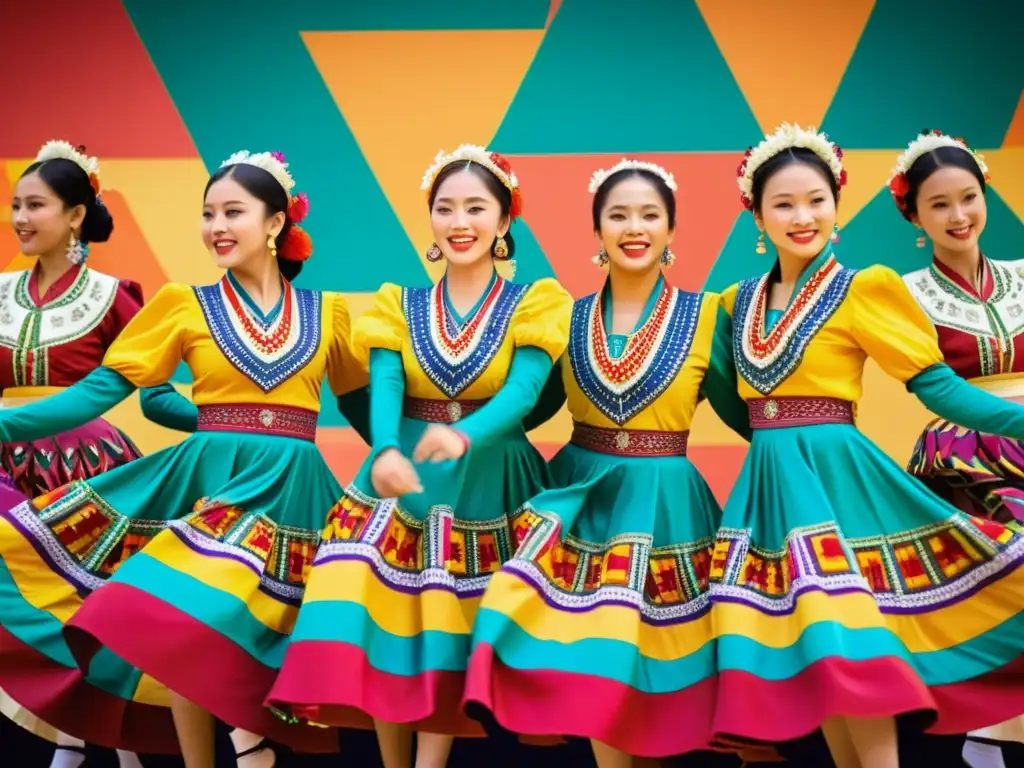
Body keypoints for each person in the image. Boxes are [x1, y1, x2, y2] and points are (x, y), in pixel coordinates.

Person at [0, 149, 369, 767]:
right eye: (207, 214)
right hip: (213, 483)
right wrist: (6, 421)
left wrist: (435, 446)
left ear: (276, 223)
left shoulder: (327, 313)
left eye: (233, 212)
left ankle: (252, 748)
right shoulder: (181, 303)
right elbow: (98, 393)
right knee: (177, 619)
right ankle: (242, 755)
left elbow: (367, 414)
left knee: (225, 626)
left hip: (293, 491)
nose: (216, 227)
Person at [709, 123, 1024, 768]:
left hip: (839, 484)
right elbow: (721, 393)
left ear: (837, 204)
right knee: (821, 652)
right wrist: (778, 446)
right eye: (785, 204)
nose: (804, 217)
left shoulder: (863, 288)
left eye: (817, 200)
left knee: (851, 645)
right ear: (758, 217)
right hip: (771, 490)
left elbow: (938, 389)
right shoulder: (734, 303)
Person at [267, 144, 574, 768]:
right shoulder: (396, 304)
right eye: (445, 208)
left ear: (504, 221)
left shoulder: (536, 302)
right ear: (430, 220)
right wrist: (382, 448)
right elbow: (384, 383)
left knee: (447, 625)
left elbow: (522, 393)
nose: (460, 222)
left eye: (476, 208)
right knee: (384, 618)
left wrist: (464, 435)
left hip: (488, 474)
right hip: (403, 472)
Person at [460, 159, 764, 768]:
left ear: (672, 230)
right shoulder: (563, 318)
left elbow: (748, 418)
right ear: (596, 230)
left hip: (667, 510)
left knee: (659, 676)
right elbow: (527, 409)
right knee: (598, 671)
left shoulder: (708, 317)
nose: (634, 227)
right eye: (617, 215)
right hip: (584, 502)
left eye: (650, 215)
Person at [1, 139, 195, 768]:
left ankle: (97, 744)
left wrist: (230, 418)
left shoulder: (115, 296)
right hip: (5, 462)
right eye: (15, 205)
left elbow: (157, 396)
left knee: (89, 604)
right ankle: (73, 738)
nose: (20, 218)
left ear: (76, 215)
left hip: (84, 468)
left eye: (35, 205)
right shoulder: (1, 292)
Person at [892, 130, 1024, 768]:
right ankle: (989, 730)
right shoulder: (905, 292)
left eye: (968, 197)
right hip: (967, 458)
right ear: (913, 213)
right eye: (938, 204)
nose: (958, 215)